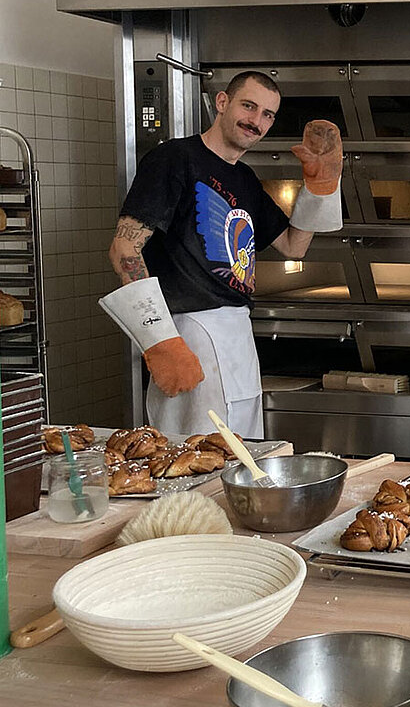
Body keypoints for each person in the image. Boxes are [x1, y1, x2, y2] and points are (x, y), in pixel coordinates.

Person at [100, 71, 343, 438]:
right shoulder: (173, 159)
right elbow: (124, 248)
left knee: (245, 463)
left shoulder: (244, 178)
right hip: (188, 334)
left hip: (238, 335)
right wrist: (160, 341)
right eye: (249, 106)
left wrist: (319, 184)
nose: (256, 121)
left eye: (267, 115)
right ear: (222, 102)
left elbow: (294, 246)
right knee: (196, 463)